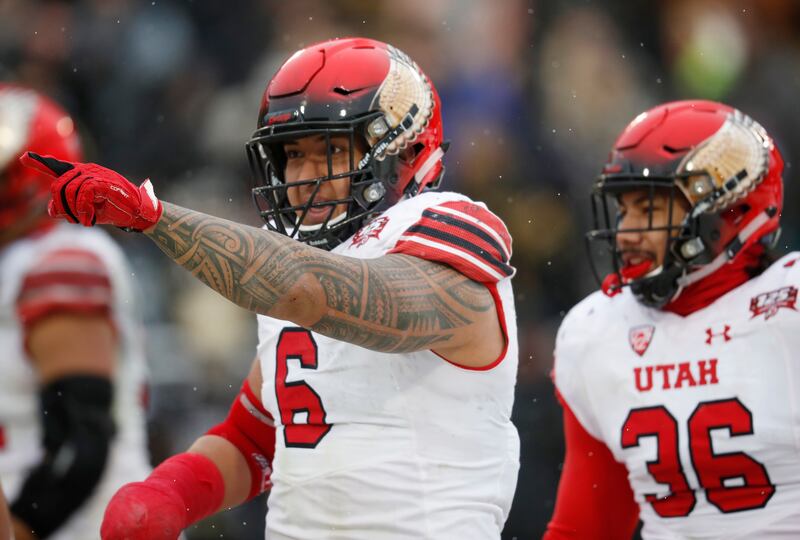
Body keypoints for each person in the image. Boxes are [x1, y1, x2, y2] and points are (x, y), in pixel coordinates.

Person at [22, 37, 520, 539]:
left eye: (330, 151)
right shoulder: (293, 261)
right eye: (293, 155)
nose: (303, 176)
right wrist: (169, 492)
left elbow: (314, 292)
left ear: (403, 151)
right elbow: (257, 436)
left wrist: (153, 217)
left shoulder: (446, 225)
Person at [545, 99, 797, 538]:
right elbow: (585, 528)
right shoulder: (598, 332)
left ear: (728, 211)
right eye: (623, 211)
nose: (626, 234)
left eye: (649, 210)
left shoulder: (788, 313)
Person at [0, 84, 151, 539]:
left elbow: (79, 444)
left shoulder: (59, 257)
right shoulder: (21, 258)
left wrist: (21, 527)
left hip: (78, 526)